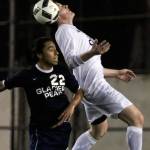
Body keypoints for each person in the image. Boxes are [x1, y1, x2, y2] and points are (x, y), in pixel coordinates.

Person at [44, 1, 144, 150]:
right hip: (95, 88)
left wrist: (117, 73)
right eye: (60, 6)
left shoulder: (71, 30)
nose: (65, 5)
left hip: (87, 89)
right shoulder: (64, 31)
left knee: (99, 130)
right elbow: (71, 62)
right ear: (56, 15)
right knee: (137, 118)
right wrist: (92, 52)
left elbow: (89, 68)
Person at [0, 37, 84, 150]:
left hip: (62, 130)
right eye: (50, 49)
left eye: (56, 49)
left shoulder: (61, 70)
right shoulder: (28, 75)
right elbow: (3, 84)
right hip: (42, 133)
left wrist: (72, 105)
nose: (56, 52)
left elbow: (79, 91)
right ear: (39, 55)